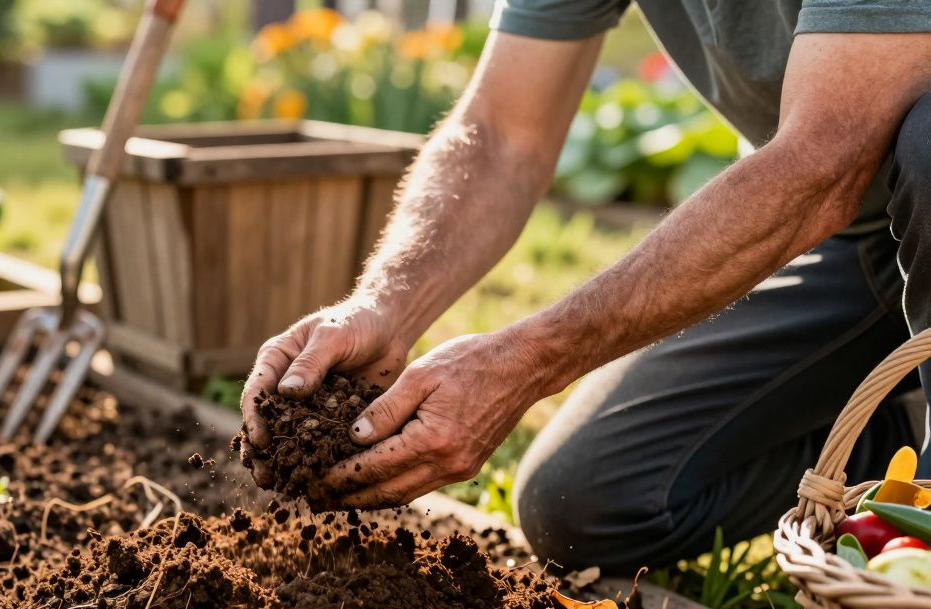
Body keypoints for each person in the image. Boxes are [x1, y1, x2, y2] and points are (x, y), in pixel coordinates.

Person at [238, 1, 931, 572]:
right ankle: (895, 443)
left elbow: (822, 161)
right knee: (585, 499)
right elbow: (502, 130)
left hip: (882, 185)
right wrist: (384, 304)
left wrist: (528, 358)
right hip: (846, 241)